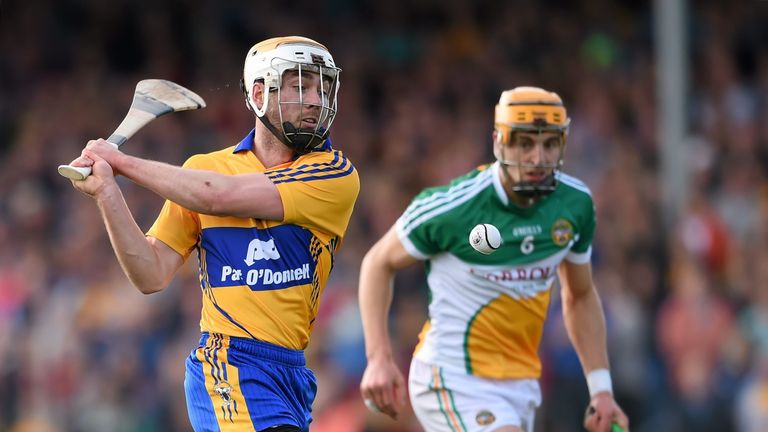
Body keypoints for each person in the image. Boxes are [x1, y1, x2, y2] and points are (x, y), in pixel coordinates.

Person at [69, 36, 359, 432]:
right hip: (227, 364)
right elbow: (151, 273)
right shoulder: (204, 168)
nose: (315, 100)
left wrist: (119, 162)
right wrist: (106, 191)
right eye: (300, 86)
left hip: (293, 374)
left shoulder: (334, 174)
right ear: (260, 92)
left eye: (322, 88)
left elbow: (218, 196)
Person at [358, 86, 629, 432]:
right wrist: (378, 358)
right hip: (452, 376)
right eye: (525, 143)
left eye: (549, 145)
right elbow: (377, 263)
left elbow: (580, 295)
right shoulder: (454, 207)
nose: (537, 158)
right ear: (499, 142)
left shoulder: (574, 205)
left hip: (521, 384)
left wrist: (601, 390)